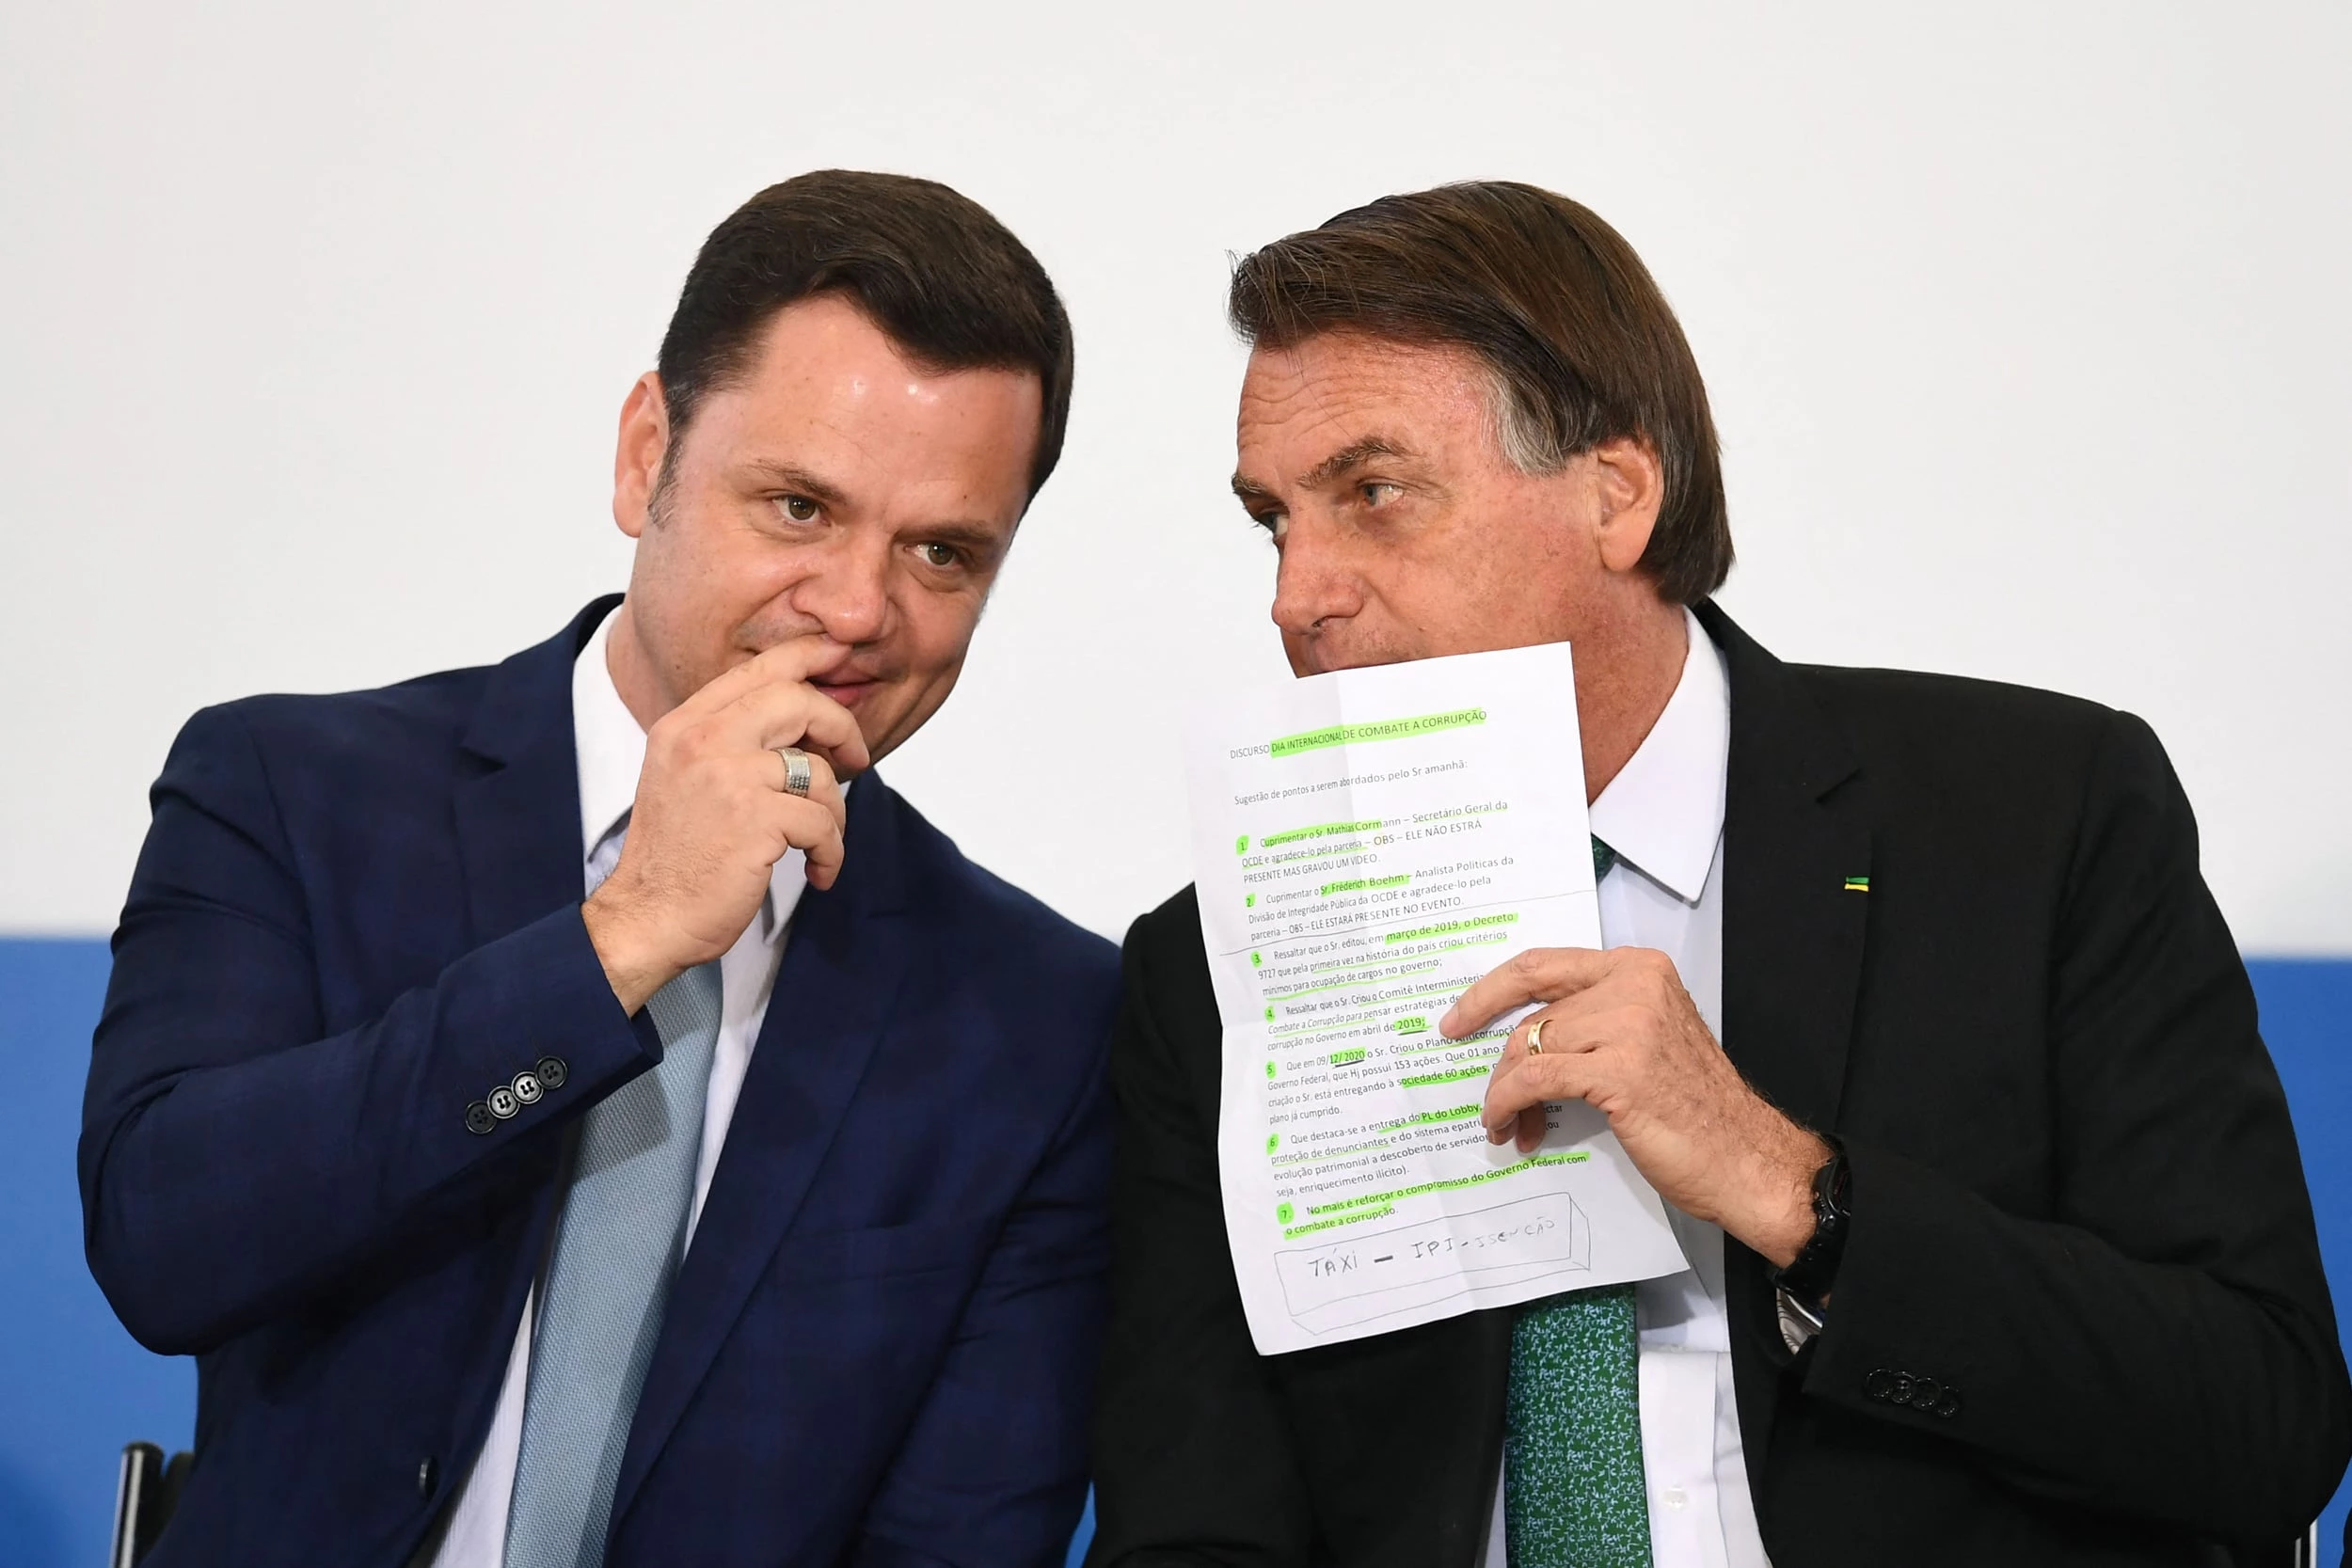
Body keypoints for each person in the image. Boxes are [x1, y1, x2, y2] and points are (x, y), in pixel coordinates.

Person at [1087, 181, 2350, 1567]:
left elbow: (2262, 1416)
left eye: (1373, 495)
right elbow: (1195, 1526)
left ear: (1618, 496)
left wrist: (1793, 1186)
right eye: (1274, 520)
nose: (1296, 593)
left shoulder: (2039, 817)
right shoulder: (1219, 966)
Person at [82, 169, 1115, 1568]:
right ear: (647, 457)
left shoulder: (1037, 1020)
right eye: (801, 506)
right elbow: (167, 1239)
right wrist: (615, 938)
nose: (863, 610)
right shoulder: (293, 791)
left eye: (944, 550)